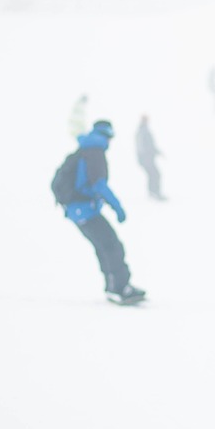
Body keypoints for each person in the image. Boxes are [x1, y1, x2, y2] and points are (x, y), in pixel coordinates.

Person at [63, 119, 146, 305]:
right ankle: (120, 288)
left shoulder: (86, 148)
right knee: (112, 246)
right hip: (85, 210)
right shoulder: (95, 152)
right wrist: (117, 207)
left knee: (104, 247)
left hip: (78, 211)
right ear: (107, 135)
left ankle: (113, 287)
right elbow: (99, 185)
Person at [135, 115, 165, 199]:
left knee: (153, 174)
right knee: (155, 174)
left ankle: (153, 192)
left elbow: (151, 146)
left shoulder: (143, 131)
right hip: (146, 158)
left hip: (147, 158)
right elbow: (144, 146)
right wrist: (143, 156)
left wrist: (157, 152)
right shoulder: (142, 131)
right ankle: (155, 192)